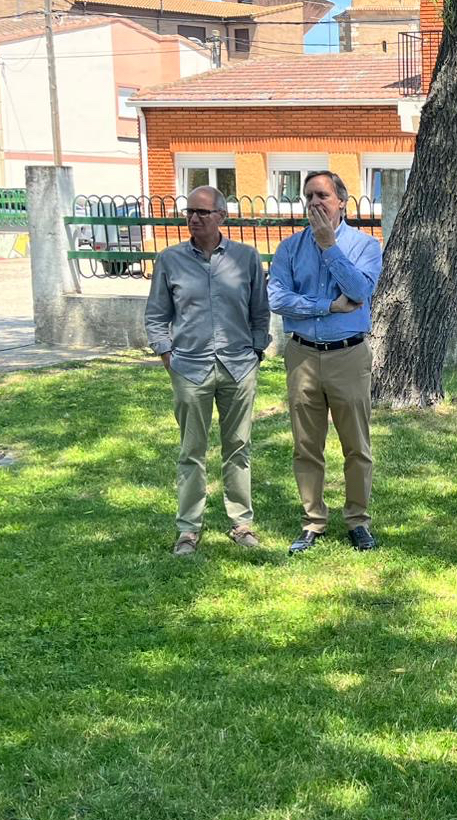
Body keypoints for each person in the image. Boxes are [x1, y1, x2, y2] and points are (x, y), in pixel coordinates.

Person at [144, 186, 271, 556]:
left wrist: (256, 350)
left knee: (239, 447)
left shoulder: (246, 258)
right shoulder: (170, 260)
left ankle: (241, 523)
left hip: (238, 367)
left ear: (221, 216)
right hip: (189, 368)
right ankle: (188, 529)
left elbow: (260, 310)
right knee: (191, 451)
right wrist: (166, 353)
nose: (194, 219)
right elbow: (156, 314)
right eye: (189, 212)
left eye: (202, 212)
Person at [267, 170, 384, 555]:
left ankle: (358, 520)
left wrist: (329, 247)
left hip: (348, 355)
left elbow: (360, 290)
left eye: (322, 195)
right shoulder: (289, 248)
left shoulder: (365, 246)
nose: (315, 203)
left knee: (356, 445)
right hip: (302, 354)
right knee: (306, 445)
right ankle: (313, 521)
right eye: (309, 196)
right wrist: (327, 306)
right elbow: (277, 298)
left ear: (341, 202)